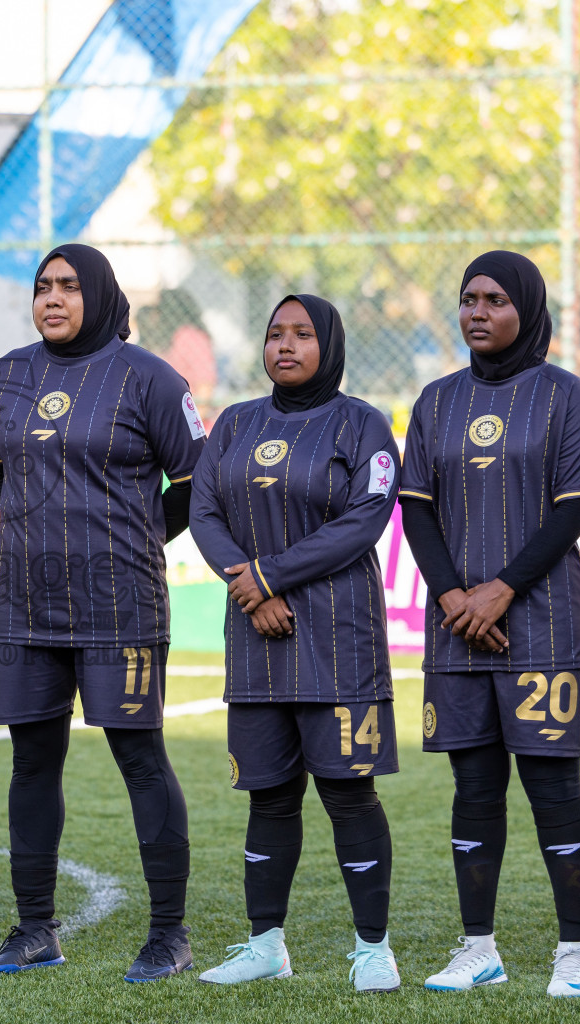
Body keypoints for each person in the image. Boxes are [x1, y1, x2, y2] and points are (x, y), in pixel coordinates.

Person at [0, 243, 205, 981]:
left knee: (140, 757)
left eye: (70, 287)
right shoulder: (6, 376)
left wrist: (137, 535)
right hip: (23, 603)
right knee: (32, 760)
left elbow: (198, 480)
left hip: (121, 603)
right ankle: (35, 927)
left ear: (100, 295)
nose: (53, 298)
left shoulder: (152, 380)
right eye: (43, 286)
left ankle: (169, 933)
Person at [398, 251, 580, 997]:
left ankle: (574, 951)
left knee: (554, 787)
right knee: (473, 788)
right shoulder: (436, 399)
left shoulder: (563, 396)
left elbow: (576, 504)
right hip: (456, 630)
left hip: (541, 626)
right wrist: (455, 597)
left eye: (494, 300)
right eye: (467, 299)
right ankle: (477, 947)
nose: (477, 312)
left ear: (526, 309)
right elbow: (414, 506)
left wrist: (501, 591)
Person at [189, 294, 402, 991]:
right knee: (269, 795)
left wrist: (267, 576)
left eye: (302, 334)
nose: (285, 345)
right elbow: (205, 510)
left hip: (338, 638)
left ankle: (374, 948)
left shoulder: (362, 424)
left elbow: (363, 521)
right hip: (256, 636)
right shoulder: (237, 423)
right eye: (275, 333)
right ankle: (265, 945)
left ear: (330, 344)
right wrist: (249, 587)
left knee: (349, 792)